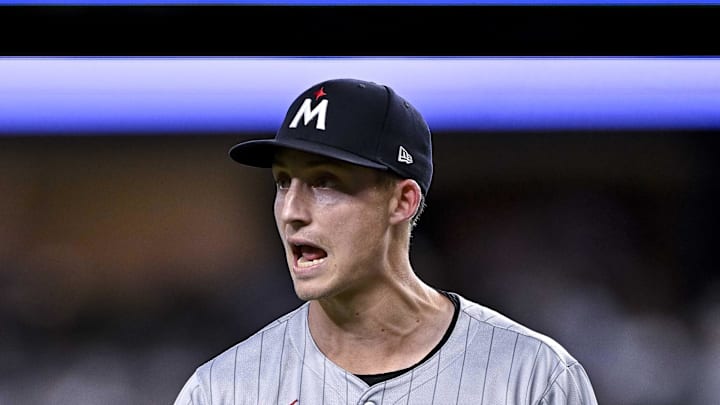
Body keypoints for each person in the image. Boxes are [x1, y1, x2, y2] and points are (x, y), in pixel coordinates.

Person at [173, 78, 598, 405]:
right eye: (284, 182)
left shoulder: (535, 379)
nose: (291, 211)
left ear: (403, 201)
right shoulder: (222, 390)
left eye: (325, 182)